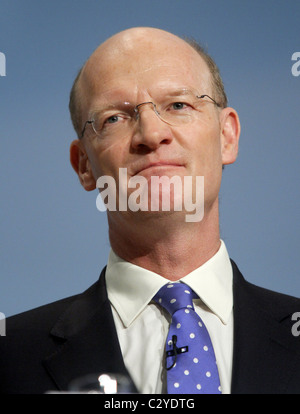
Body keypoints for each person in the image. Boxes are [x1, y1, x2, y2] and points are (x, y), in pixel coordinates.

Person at [0, 27, 299, 395]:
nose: (151, 133)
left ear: (227, 137)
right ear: (84, 166)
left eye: (178, 105)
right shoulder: (8, 356)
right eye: (114, 117)